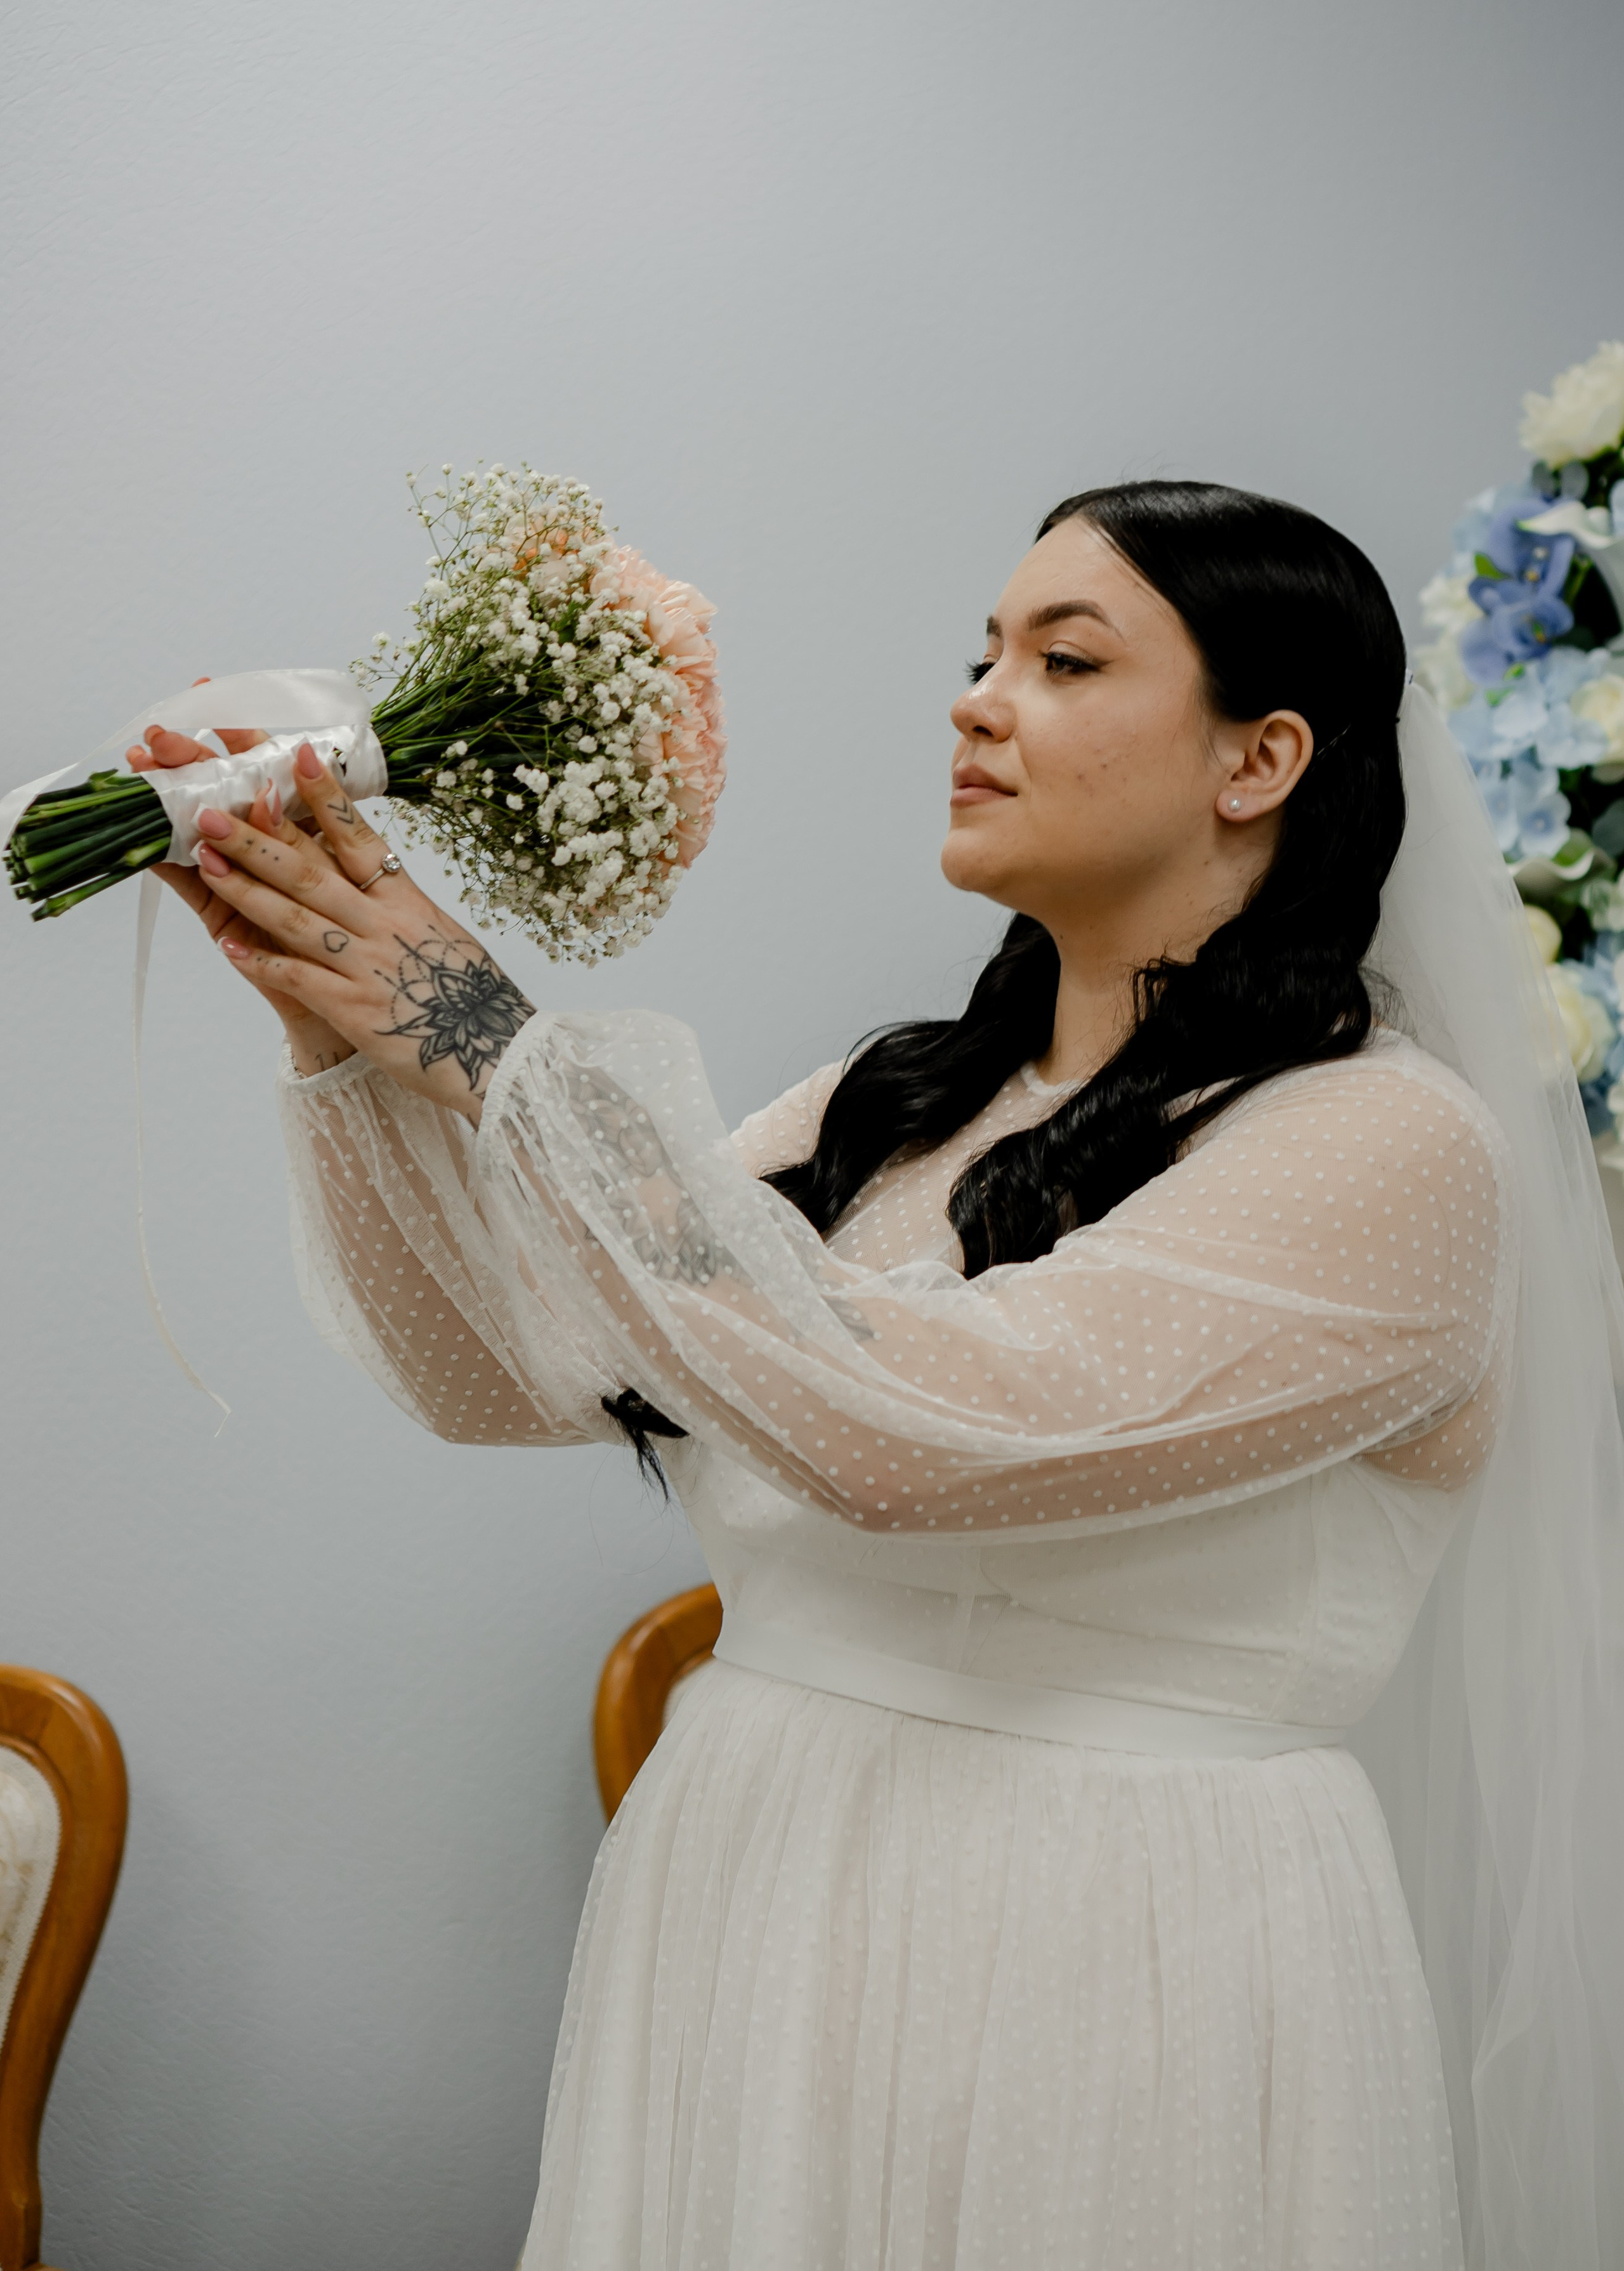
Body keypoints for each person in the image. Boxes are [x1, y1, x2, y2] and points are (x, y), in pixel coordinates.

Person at [138, 481, 1624, 2270]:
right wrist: (339, 1014)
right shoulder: (891, 1105)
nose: (976, 699)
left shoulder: (1390, 1145)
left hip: (1120, 1936)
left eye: (1064, 659)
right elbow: (508, 1368)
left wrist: (490, 1039)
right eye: (981, 653)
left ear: (1263, 759)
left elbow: (922, 1430)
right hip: (757, 1874)